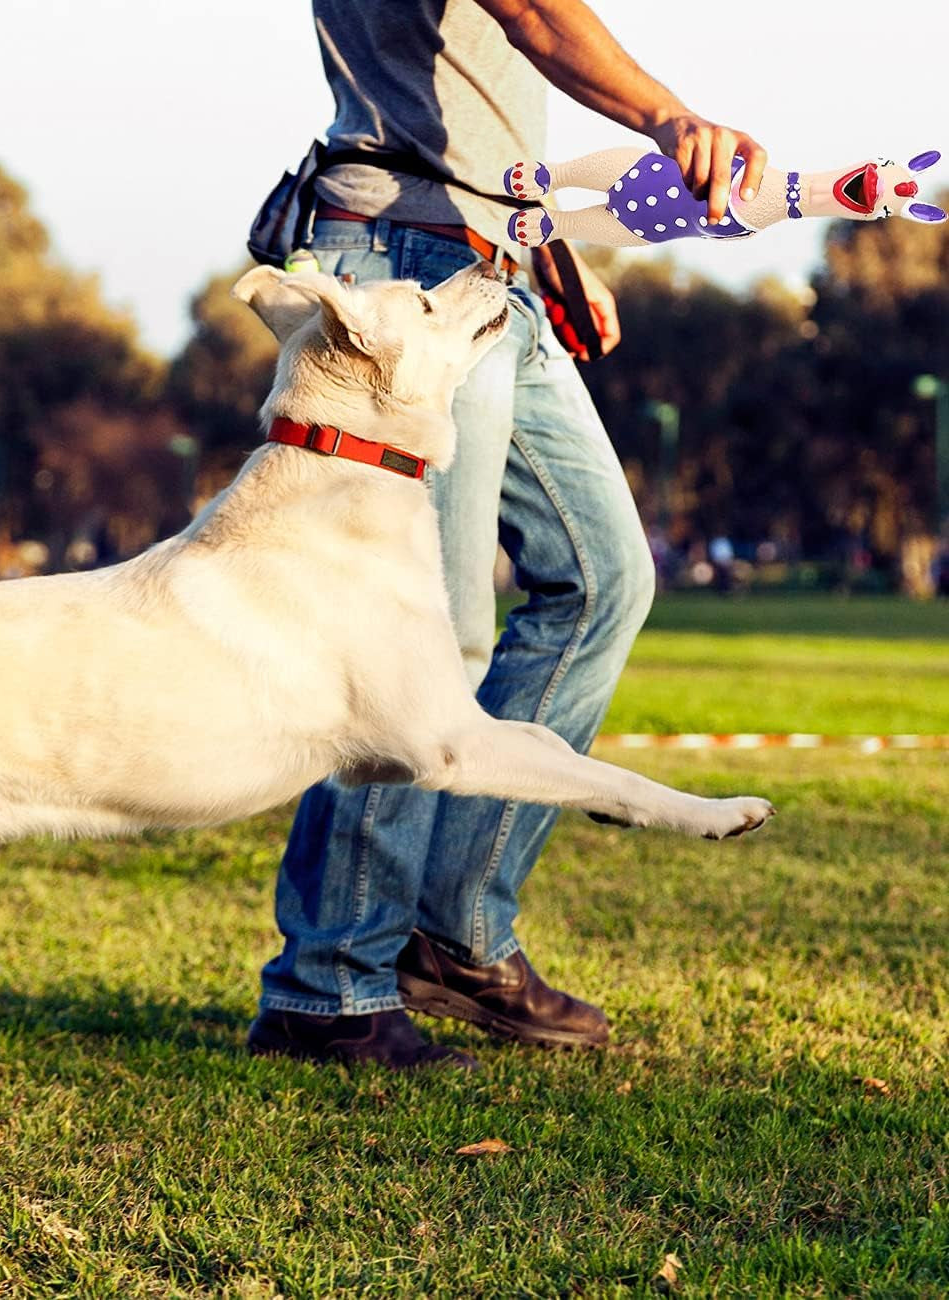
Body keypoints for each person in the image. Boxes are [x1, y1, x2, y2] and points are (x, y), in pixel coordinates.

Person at [247, 0, 767, 1070]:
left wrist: (552, 246)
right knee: (422, 644)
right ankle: (330, 984)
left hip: (489, 264)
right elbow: (531, 11)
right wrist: (669, 120)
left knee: (601, 578)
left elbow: (472, 87)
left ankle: (454, 933)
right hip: (406, 268)